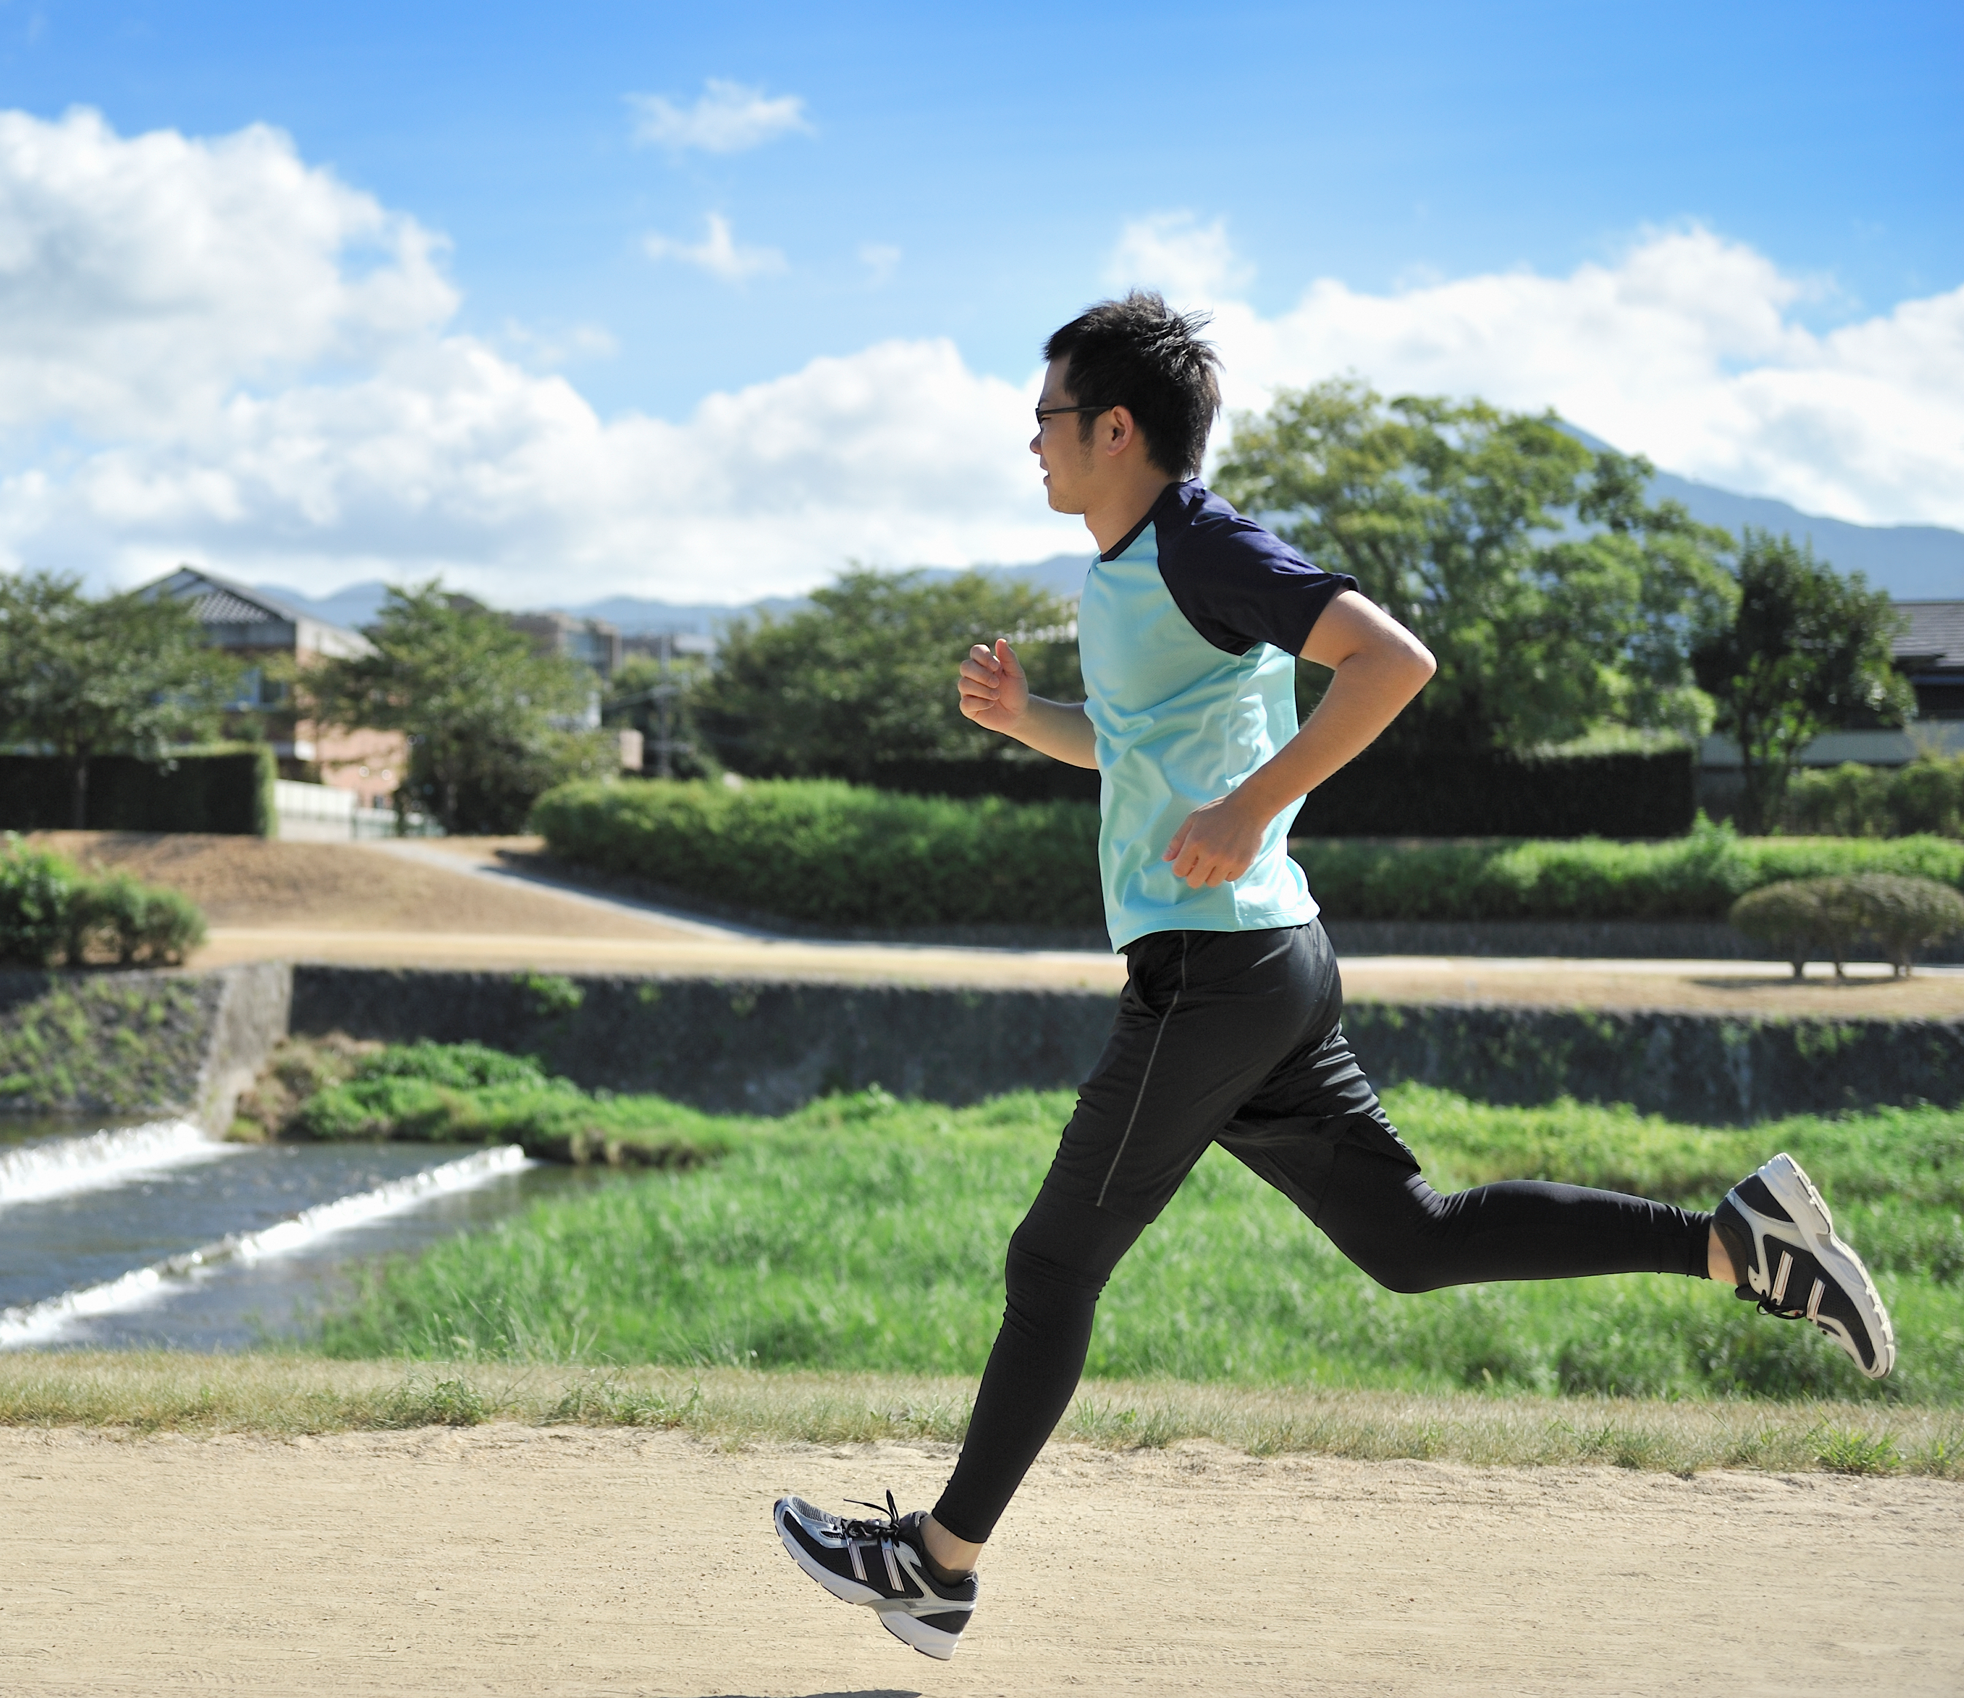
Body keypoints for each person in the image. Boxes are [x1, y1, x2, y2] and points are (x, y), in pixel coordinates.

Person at [769, 291, 1896, 1663]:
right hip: (1259, 962)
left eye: (1047, 420)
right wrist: (1026, 722)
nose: (1034, 447)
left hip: (1220, 970)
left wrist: (1249, 807)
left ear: (1116, 427)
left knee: (1051, 1258)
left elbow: (1388, 663)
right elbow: (1135, 747)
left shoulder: (1197, 542)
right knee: (1409, 1241)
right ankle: (1736, 1246)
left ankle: (934, 1565)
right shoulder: (1126, 570)